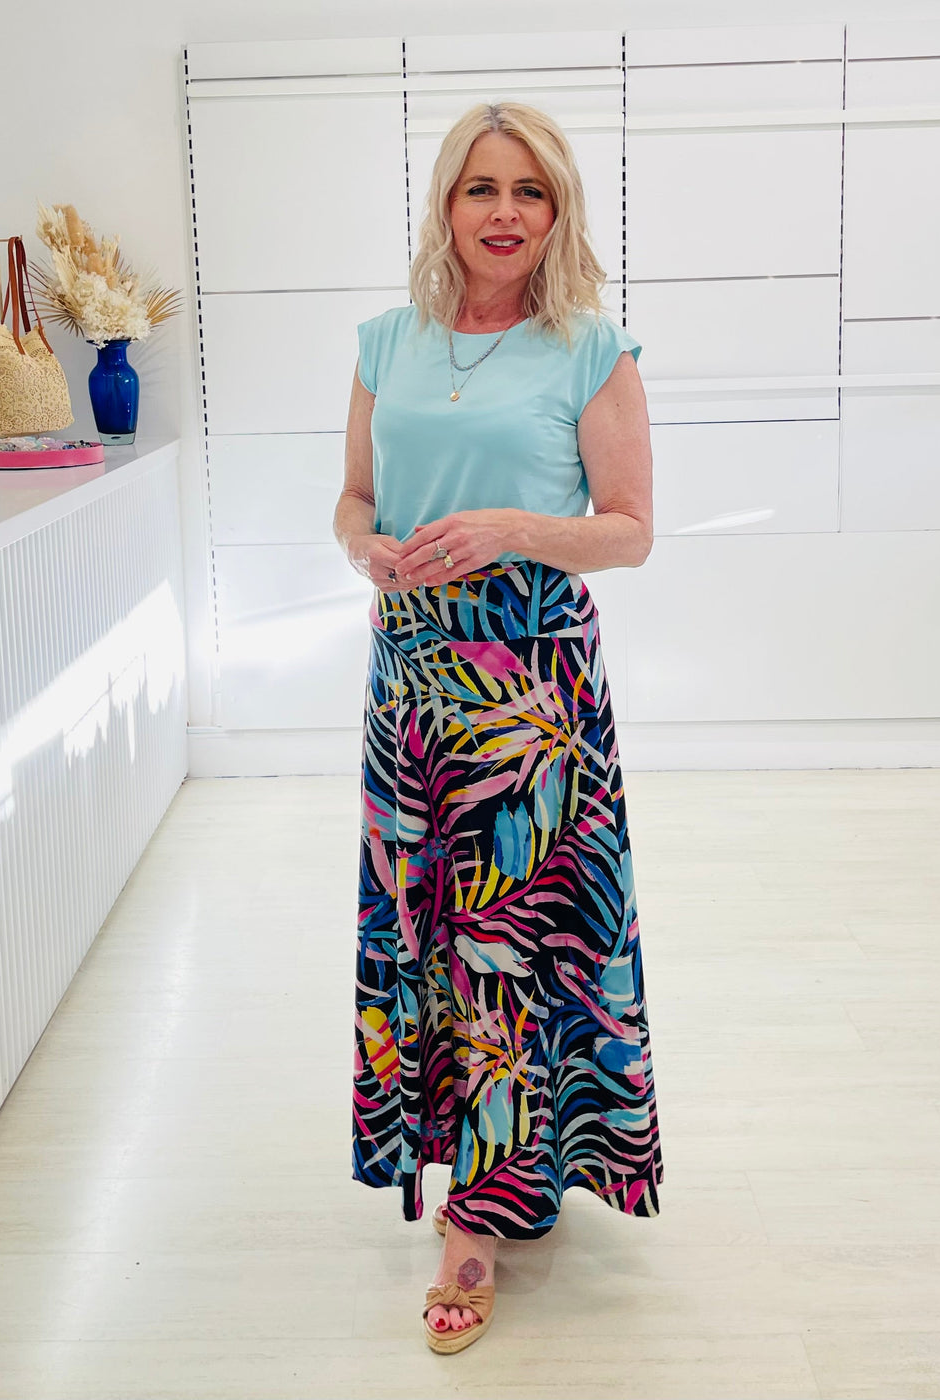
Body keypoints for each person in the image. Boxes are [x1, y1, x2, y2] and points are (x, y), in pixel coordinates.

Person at [334, 101, 662, 1355]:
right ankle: (482, 1174)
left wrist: (511, 527)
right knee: (428, 932)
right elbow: (354, 495)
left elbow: (628, 528)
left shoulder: (589, 348)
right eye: (482, 188)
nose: (506, 212)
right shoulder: (386, 341)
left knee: (510, 947)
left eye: (530, 191)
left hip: (529, 692)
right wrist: (362, 545)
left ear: (557, 209)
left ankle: (479, 1218)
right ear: (446, 204)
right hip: (411, 677)